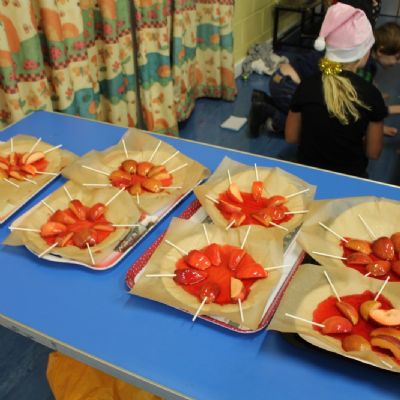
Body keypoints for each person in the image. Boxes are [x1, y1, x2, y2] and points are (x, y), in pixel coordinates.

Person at [285, 3, 387, 178]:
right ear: (364, 53)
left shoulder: (306, 86)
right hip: (350, 179)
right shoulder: (371, 95)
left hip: (306, 177)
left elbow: (291, 137)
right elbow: (373, 153)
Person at [248, 19, 400, 137]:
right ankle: (270, 114)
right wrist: (377, 125)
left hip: (281, 79)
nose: (397, 63)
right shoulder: (364, 63)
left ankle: (264, 101)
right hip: (288, 86)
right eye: (397, 58)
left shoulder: (359, 50)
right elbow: (355, 105)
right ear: (381, 50)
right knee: (316, 125)